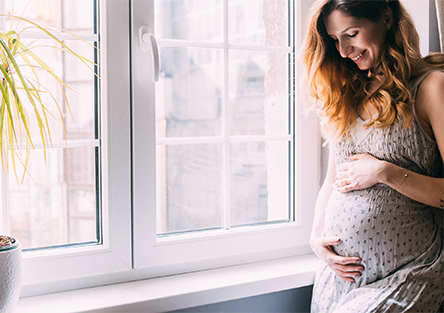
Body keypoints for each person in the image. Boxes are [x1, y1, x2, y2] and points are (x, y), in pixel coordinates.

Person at [300, 0, 444, 312]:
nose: (343, 50)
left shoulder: (431, 87)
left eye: (351, 34)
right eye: (334, 39)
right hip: (339, 278)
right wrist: (316, 237)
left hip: (407, 272)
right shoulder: (347, 93)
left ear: (387, 18)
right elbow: (332, 181)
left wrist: (385, 172)